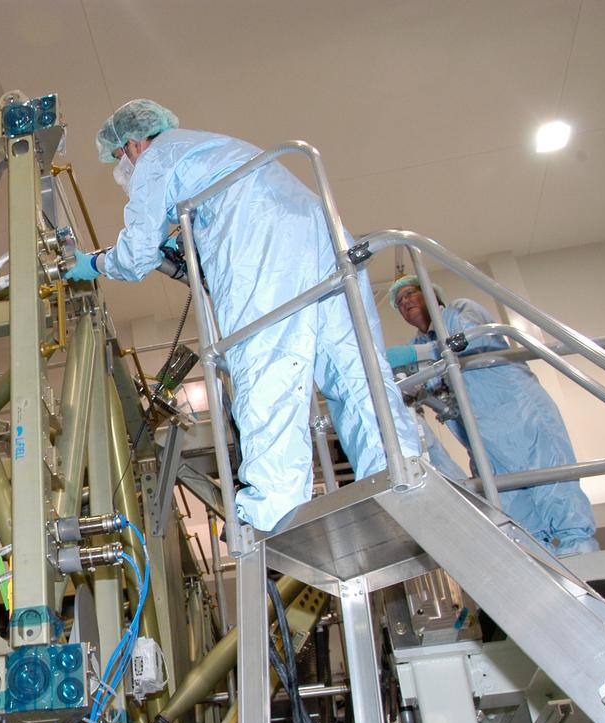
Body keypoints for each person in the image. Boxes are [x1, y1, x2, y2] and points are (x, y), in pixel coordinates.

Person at [64, 99, 419, 532]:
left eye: (119, 158)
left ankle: (274, 511)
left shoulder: (157, 157)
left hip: (263, 251)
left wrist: (96, 264)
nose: (122, 168)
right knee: (352, 369)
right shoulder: (211, 149)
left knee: (266, 366)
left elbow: (137, 251)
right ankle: (401, 470)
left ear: (133, 144)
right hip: (324, 236)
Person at [386, 275, 599, 555]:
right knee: (510, 508)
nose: (406, 302)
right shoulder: (417, 343)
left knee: (553, 489)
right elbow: (432, 389)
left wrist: (421, 354)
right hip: (482, 439)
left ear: (431, 293)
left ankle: (582, 555)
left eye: (411, 293)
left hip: (519, 415)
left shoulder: (460, 311)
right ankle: (541, 564)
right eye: (400, 302)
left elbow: (474, 342)